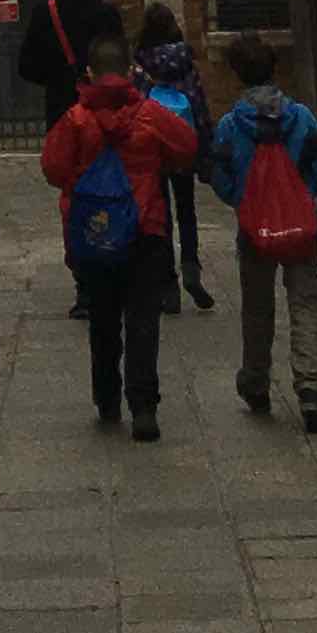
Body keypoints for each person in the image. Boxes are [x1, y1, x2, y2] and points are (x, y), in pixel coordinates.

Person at [39, 28, 198, 439]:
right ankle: (143, 406)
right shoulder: (150, 114)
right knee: (143, 318)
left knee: (103, 317)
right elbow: (187, 146)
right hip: (145, 228)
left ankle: (107, 398)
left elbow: (53, 169)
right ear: (130, 71)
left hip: (94, 233)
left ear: (90, 73)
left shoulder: (76, 120)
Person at [204, 37, 317, 433]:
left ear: (237, 75)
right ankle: (310, 390)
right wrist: (300, 196)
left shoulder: (231, 126)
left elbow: (220, 178)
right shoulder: (302, 117)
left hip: (254, 231)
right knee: (305, 305)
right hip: (301, 230)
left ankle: (256, 381)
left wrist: (245, 201)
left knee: (257, 308)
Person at [17, 0, 125, 313]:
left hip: (64, 114)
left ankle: (84, 284)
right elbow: (120, 62)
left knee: (74, 197)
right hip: (106, 114)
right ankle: (115, 261)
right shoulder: (107, 15)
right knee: (114, 189)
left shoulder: (44, 14)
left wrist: (59, 77)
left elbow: (26, 67)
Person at [132, 0, 219, 313]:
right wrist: (205, 152)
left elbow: (136, 110)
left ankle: (168, 284)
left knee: (162, 217)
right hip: (183, 147)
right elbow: (199, 108)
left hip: (154, 150)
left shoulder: (141, 66)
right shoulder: (185, 62)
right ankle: (192, 267)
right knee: (187, 210)